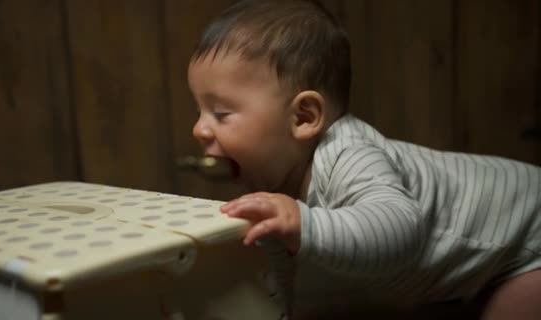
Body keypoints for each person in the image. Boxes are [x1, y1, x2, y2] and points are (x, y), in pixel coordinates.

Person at [187, 0, 541, 319]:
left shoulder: (348, 154)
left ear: (304, 117)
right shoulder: (278, 185)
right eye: (200, 111)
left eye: (220, 113)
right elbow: (289, 277)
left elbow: (399, 229)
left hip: (530, 235)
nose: (199, 129)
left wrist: (305, 225)